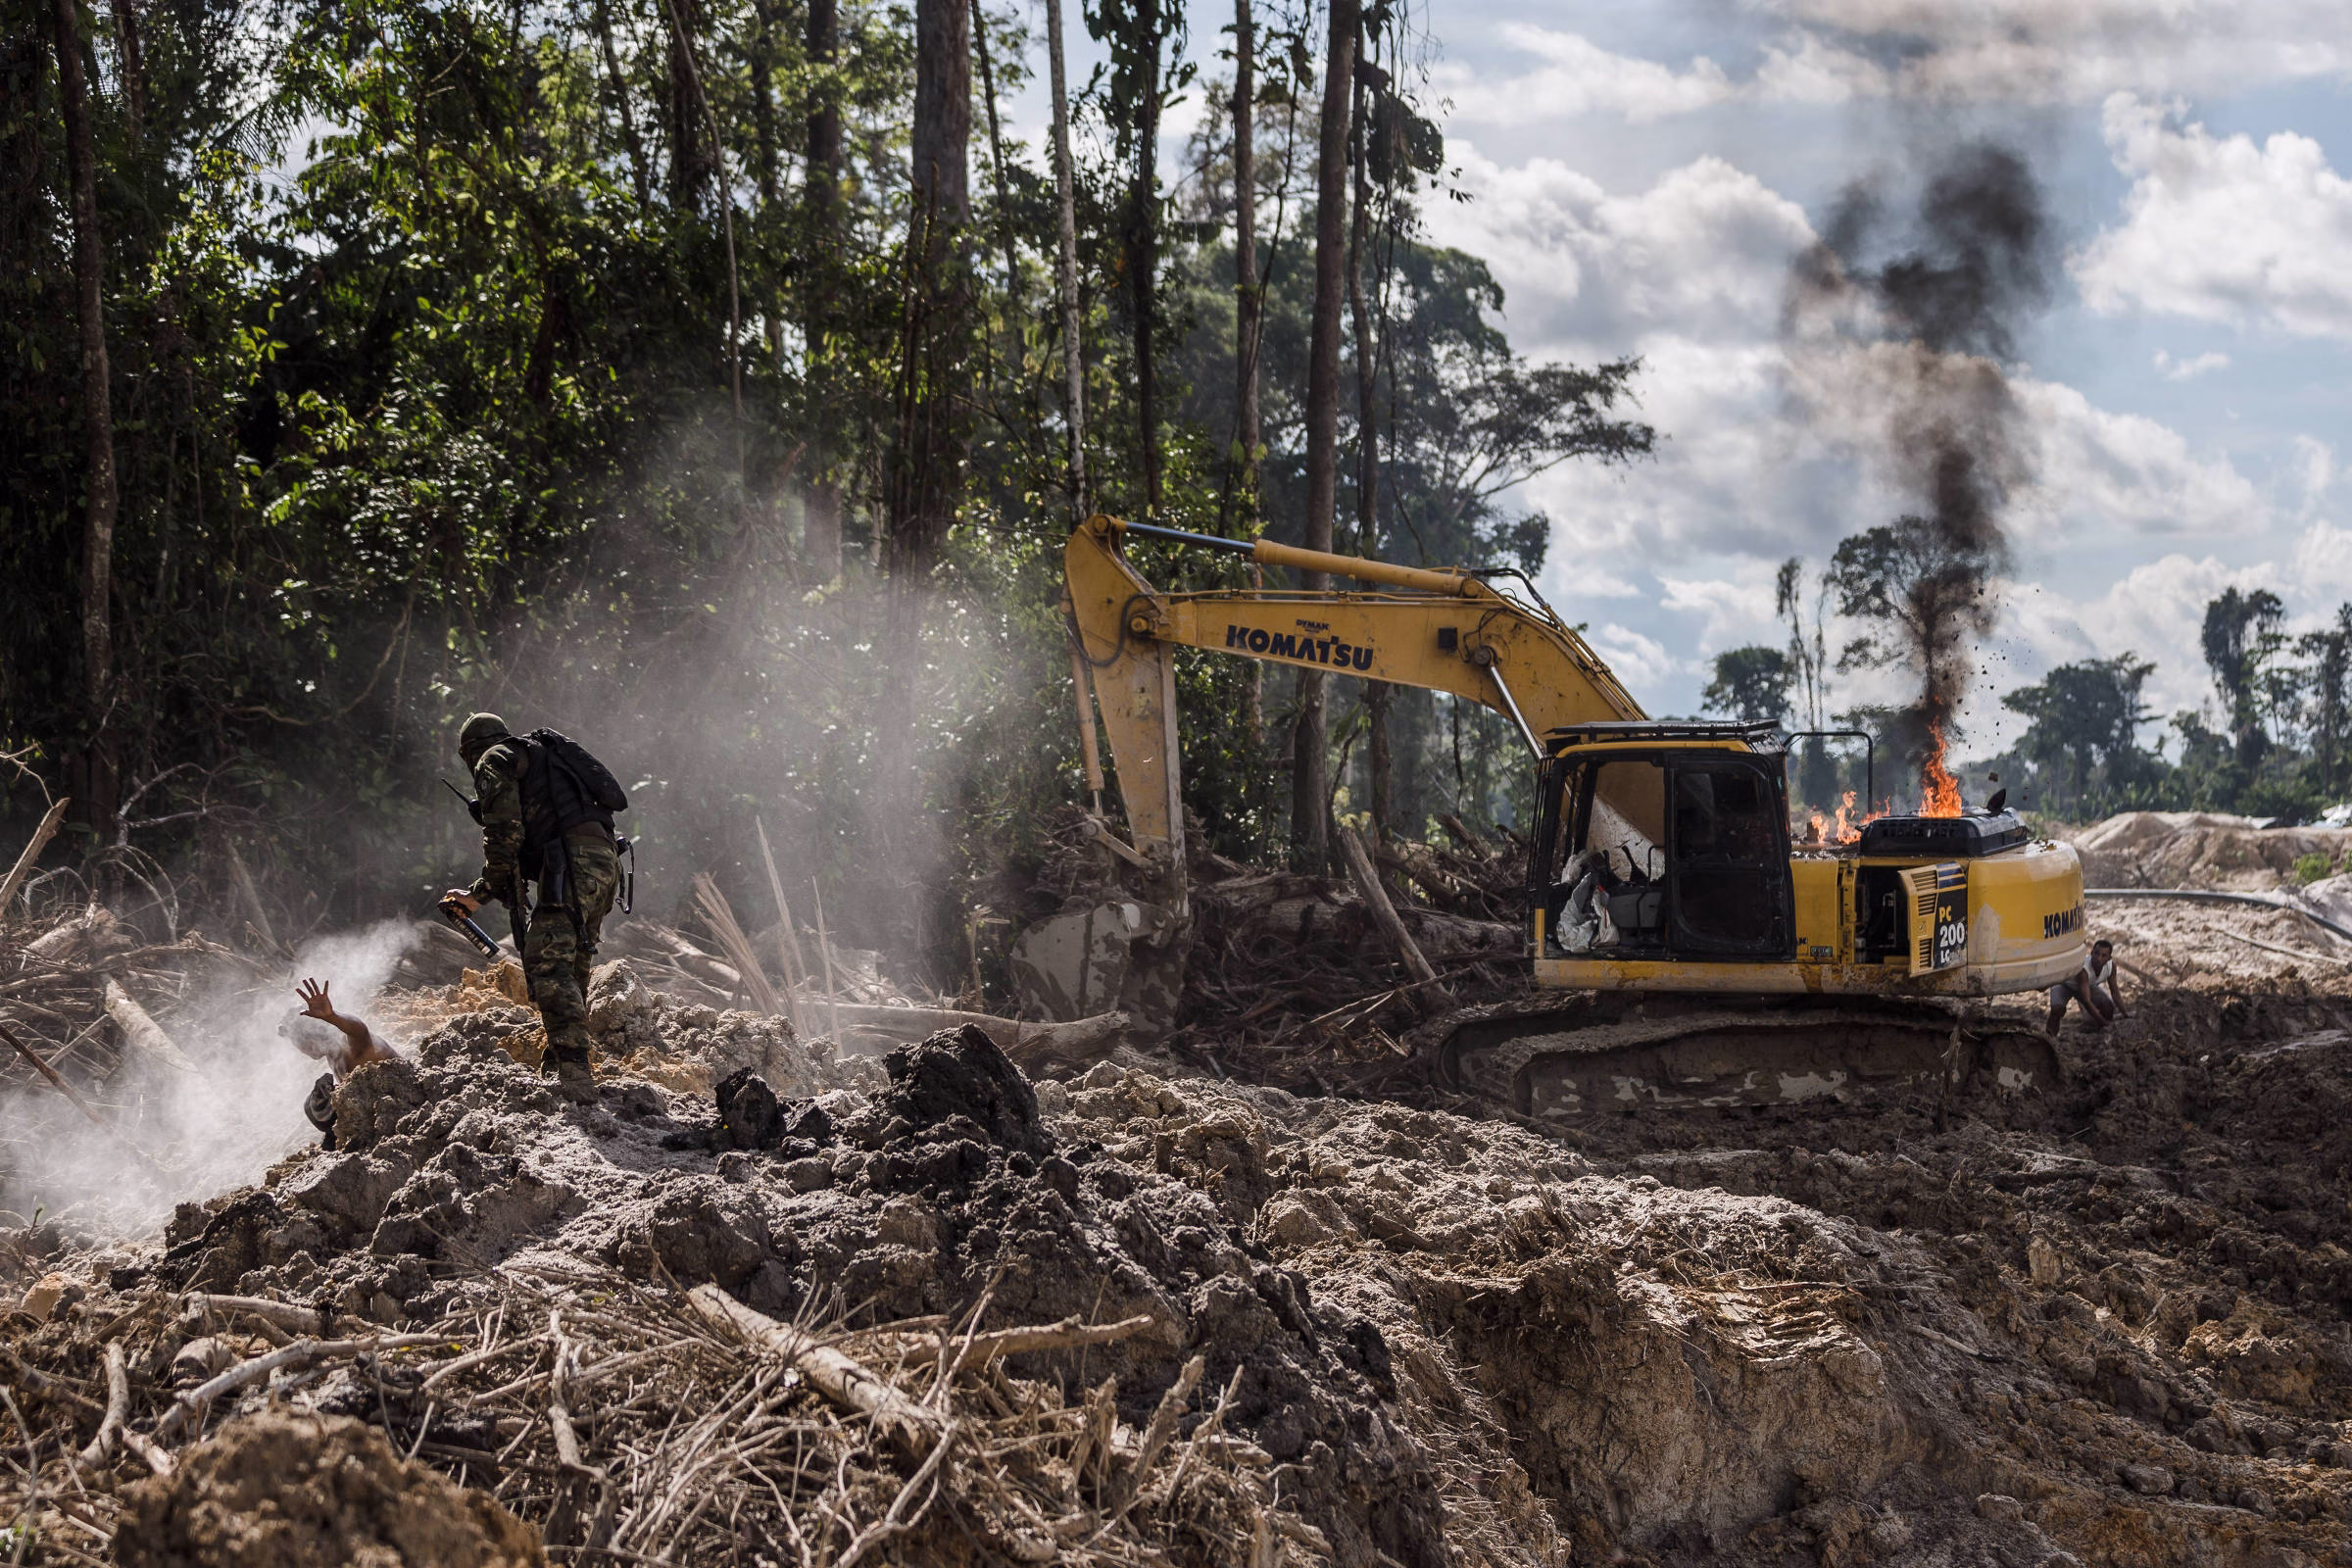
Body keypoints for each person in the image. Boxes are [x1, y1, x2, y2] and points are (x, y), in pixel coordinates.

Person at [439, 711, 621, 1102]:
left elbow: (504, 836)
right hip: (606, 864)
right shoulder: (539, 757)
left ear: (469, 753)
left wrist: (478, 895)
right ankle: (559, 1060)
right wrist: (486, 891)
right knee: (572, 962)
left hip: (573, 865)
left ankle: (574, 1073)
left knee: (546, 959)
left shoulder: (494, 760)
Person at [279, 977, 397, 1149]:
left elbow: (359, 1030)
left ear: (310, 1039)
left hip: (402, 1109)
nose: (299, 1049)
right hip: (377, 1116)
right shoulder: (333, 1053)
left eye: (297, 1043)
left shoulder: (352, 1048)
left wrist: (332, 1016)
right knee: (317, 1104)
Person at [2046, 938, 2127, 1034]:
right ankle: (2050, 1037)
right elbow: (2087, 1002)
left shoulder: (2111, 967)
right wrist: (2105, 1023)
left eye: (2104, 955)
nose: (2099, 958)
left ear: (2109, 958)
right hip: (2064, 984)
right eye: (2096, 953)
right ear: (2092, 953)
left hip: (2087, 985)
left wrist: (2125, 1013)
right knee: (2057, 1010)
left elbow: (2115, 993)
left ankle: (2099, 1032)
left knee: (2107, 1006)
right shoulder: (2084, 970)